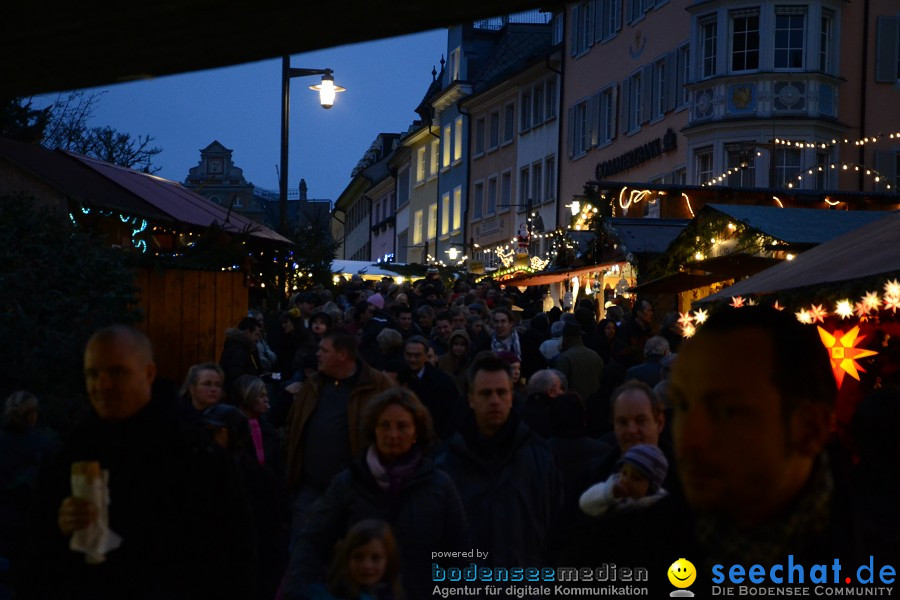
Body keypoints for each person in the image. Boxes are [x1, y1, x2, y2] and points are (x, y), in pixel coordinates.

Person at [566, 306, 900, 593]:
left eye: (727, 411)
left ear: (809, 428)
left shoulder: (873, 554)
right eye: (683, 406)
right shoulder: (630, 546)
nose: (690, 438)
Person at [18, 325, 254, 599]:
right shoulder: (75, 451)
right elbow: (35, 556)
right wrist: (59, 526)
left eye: (117, 372)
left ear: (149, 374)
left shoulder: (193, 453)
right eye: (93, 374)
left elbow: (234, 557)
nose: (102, 385)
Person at [284, 389, 468, 599]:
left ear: (416, 432)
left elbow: (458, 552)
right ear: (374, 429)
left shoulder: (439, 486)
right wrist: (299, 591)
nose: (393, 435)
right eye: (384, 425)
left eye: (402, 426)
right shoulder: (350, 482)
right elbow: (313, 541)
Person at [437, 354, 562, 567]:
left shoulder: (539, 457)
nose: (494, 400)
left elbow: (556, 530)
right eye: (486, 393)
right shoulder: (447, 464)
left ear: (511, 396)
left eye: (501, 392)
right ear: (471, 399)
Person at [284, 330, 392, 538]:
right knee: (303, 549)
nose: (317, 355)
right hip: (310, 488)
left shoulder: (377, 385)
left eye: (324, 350)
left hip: (356, 490)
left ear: (342, 355)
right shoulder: (313, 384)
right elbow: (293, 424)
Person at [303, 519, 403, 600]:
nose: (367, 565)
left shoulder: (392, 594)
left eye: (375, 558)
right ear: (346, 558)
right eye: (358, 557)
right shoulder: (320, 596)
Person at [578, 443, 668, 517]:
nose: (625, 480)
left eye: (636, 478)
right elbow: (585, 504)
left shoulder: (660, 507)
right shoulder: (612, 496)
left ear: (652, 487)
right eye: (624, 473)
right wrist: (610, 493)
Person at [402, 336, 460, 441]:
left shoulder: (442, 382)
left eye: (417, 355)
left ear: (425, 356)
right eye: (409, 355)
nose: (412, 359)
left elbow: (451, 415)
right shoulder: (400, 377)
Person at [553, 323, 604, 402]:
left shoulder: (565, 357)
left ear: (565, 339)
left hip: (572, 404)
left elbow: (560, 384)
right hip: (594, 403)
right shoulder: (595, 355)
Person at [220, 316, 264, 398]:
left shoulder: (244, 348)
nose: (258, 339)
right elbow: (236, 376)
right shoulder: (239, 351)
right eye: (256, 334)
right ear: (247, 333)